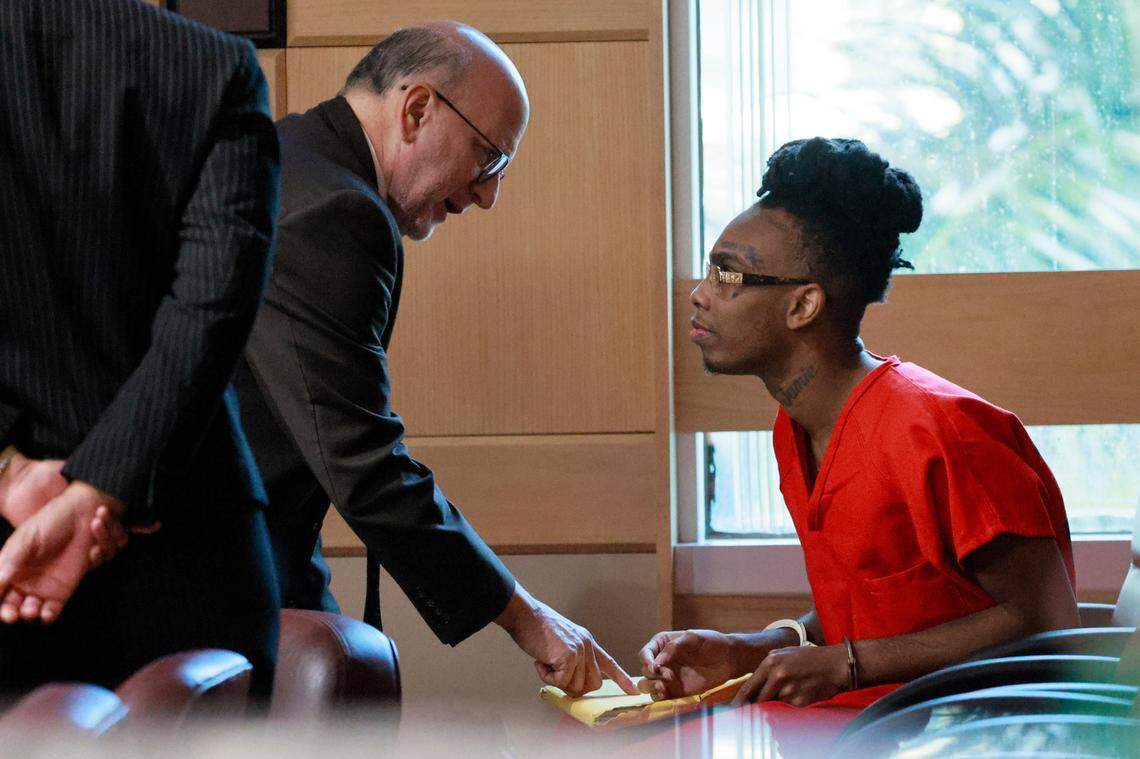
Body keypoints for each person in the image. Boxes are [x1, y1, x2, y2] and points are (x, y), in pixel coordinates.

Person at [233, 21, 637, 696]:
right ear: (418, 109)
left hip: (257, 560)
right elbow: (362, 463)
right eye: (489, 158)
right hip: (197, 582)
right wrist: (528, 619)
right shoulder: (335, 210)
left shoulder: (295, 159)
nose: (487, 194)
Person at [640, 137, 1079, 707]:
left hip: (978, 735)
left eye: (729, 276)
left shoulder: (941, 431)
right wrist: (747, 649)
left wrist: (850, 664)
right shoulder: (796, 428)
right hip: (873, 730)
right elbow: (878, 608)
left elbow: (1049, 625)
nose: (700, 295)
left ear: (803, 306)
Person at [0, 0, 281, 696]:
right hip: (187, 556)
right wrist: (100, 486)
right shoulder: (216, 67)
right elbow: (209, 313)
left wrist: (10, 472)